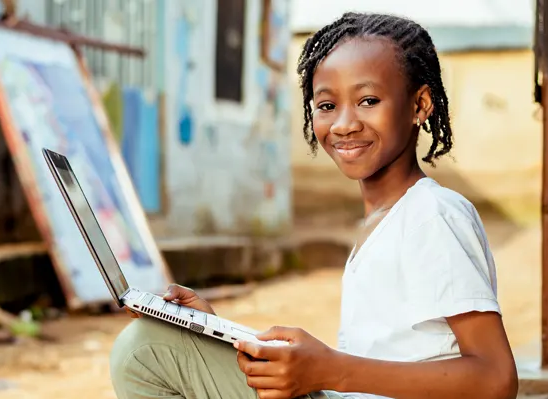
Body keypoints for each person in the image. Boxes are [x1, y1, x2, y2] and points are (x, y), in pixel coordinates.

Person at [109, 12, 518, 399]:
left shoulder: (433, 214)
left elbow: (496, 379)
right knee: (159, 343)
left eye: (369, 100)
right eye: (326, 106)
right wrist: (213, 330)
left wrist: (329, 370)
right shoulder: (380, 222)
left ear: (420, 105)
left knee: (143, 350)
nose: (344, 124)